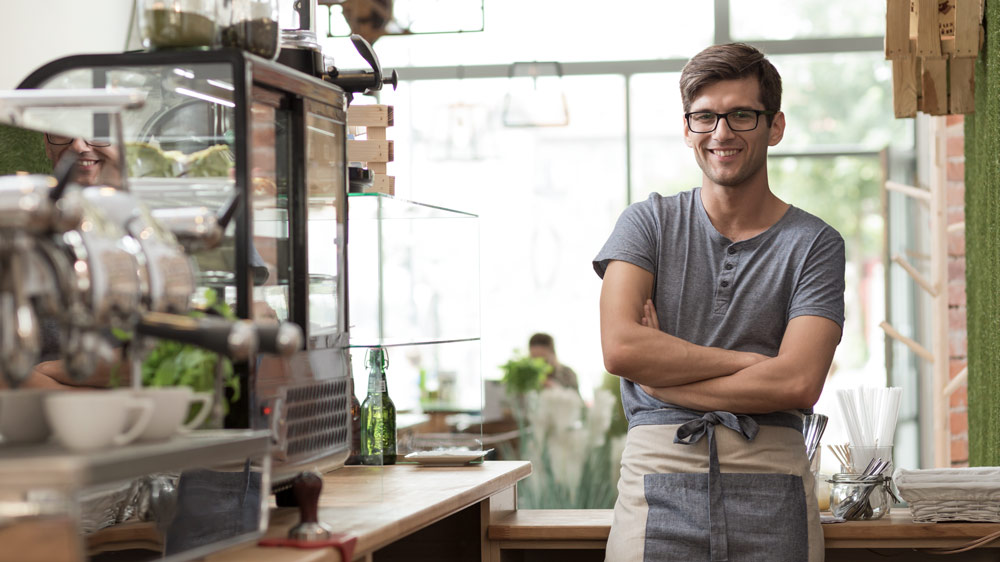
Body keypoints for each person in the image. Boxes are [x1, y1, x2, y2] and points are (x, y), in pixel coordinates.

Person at [593, 43, 845, 561]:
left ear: (774, 127)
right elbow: (621, 349)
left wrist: (663, 376)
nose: (721, 133)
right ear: (688, 129)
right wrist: (752, 366)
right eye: (705, 117)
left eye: (741, 116)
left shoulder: (816, 244)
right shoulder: (647, 224)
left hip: (771, 472)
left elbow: (799, 381)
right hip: (657, 473)